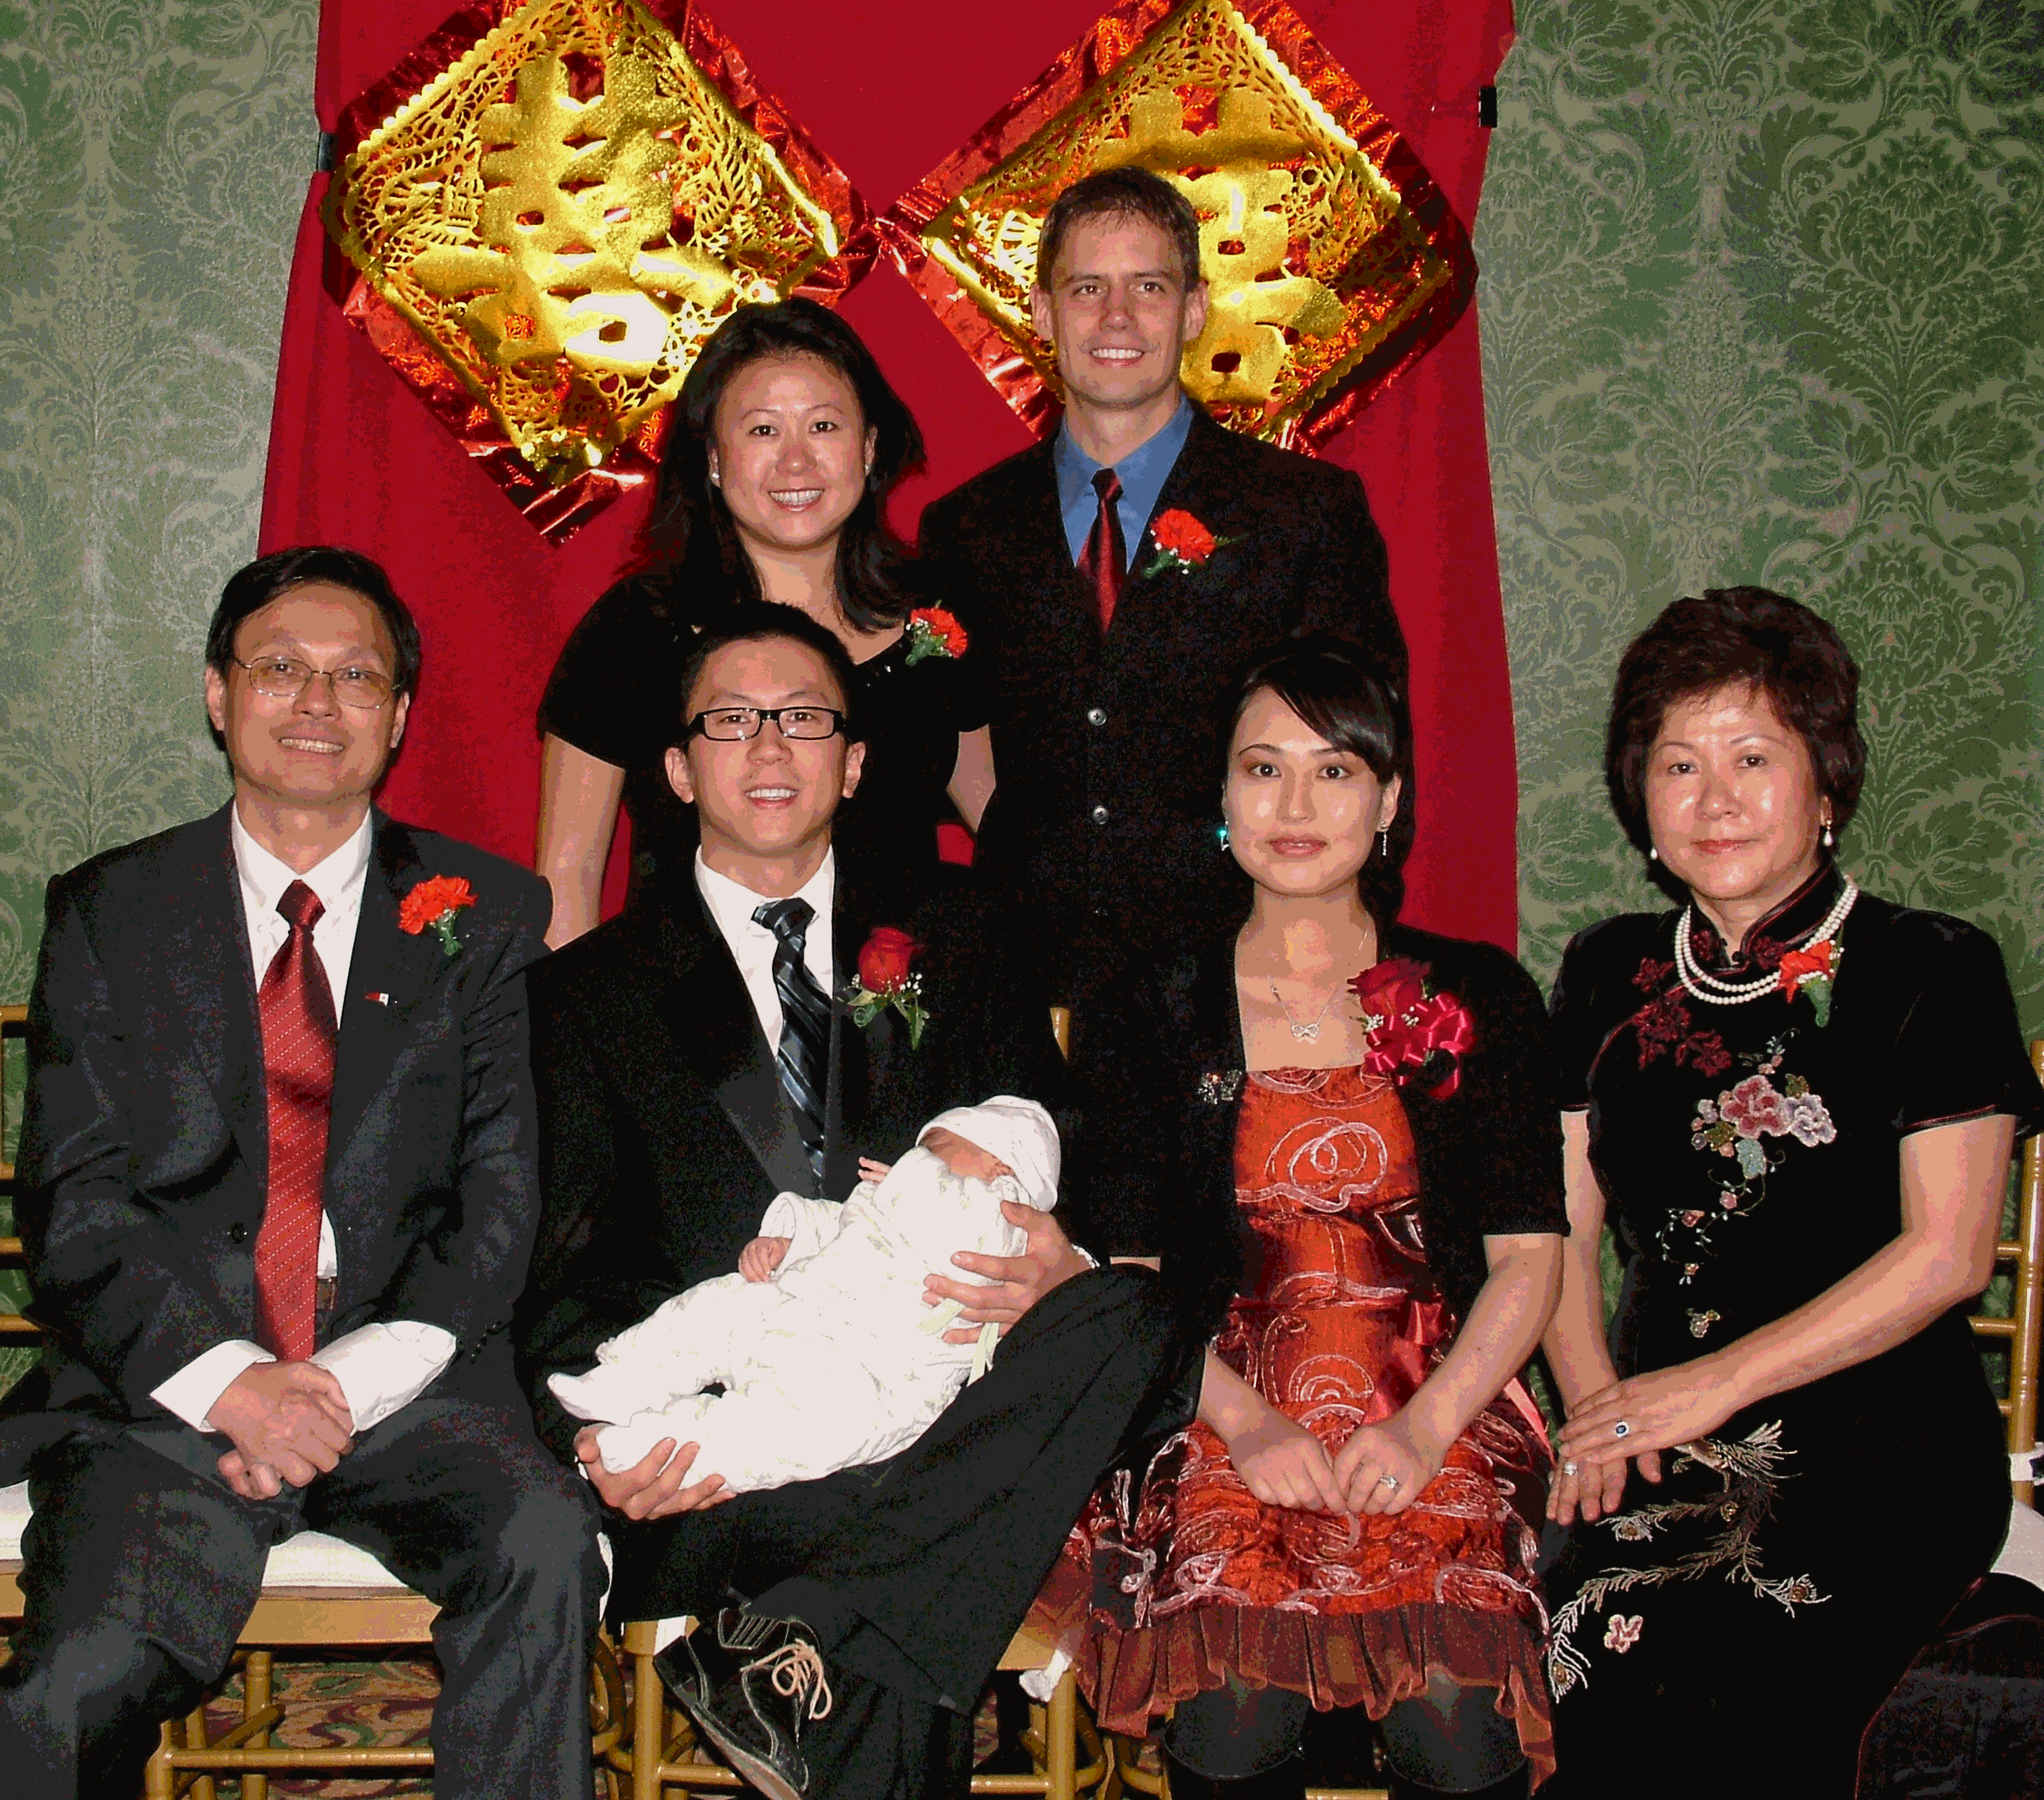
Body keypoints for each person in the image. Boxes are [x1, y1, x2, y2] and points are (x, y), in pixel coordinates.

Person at [516, 602, 1187, 1799]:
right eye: (731, 721)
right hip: (737, 1439)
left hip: (956, 1393)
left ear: (858, 760)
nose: (770, 746)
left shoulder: (961, 937)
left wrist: (1057, 1254)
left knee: (1132, 1313)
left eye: (805, 719)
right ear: (676, 769)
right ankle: (822, 1631)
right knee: (912, 1562)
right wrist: (599, 1435)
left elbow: (1062, 1137)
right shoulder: (585, 996)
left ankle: (806, 1637)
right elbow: (559, 1271)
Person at [0, 548, 603, 1798]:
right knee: (75, 1683)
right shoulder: (111, 911)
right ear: (219, 694)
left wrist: (333, 1387)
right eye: (279, 669)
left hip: (413, 1387)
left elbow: (503, 1200)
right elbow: (75, 1206)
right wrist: (235, 1386)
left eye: (355, 677)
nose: (318, 703)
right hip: (168, 1393)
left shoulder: (487, 911)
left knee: (543, 1547)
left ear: (399, 716)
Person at [1538, 587, 2044, 1796]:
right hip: (1654, 1427)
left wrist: (1707, 1386)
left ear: (1826, 785)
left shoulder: (1931, 966)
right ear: (1640, 802)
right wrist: (1598, 1406)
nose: (1714, 799)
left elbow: (1947, 1256)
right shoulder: (1604, 970)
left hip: (1880, 1444)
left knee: (1735, 1664)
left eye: (1753, 757)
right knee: (1578, 1647)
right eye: (1679, 764)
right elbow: (1551, 1222)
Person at [1041, 640, 1565, 1797]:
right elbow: (1128, 1273)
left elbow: (1530, 1259)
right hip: (1212, 1400)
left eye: (1334, 772)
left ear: (1389, 800)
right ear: (1223, 800)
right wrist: (1247, 1429)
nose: (1293, 805)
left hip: (1444, 1395)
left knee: (1452, 1723)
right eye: (1262, 769)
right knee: (1233, 1717)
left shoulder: (1480, 994)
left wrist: (1423, 1429)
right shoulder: (1149, 1004)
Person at [918, 166, 1405, 1005]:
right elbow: (949, 733)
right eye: (1086, 288)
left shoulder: (1303, 513)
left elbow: (1370, 749)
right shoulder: (968, 526)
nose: (1116, 317)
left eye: (1148, 286)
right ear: (1041, 312)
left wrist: (1342, 961)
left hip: (1240, 982)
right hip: (1026, 985)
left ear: (1194, 309)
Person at [537, 298, 988, 947]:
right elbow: (567, 884)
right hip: (690, 1004)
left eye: (823, 426)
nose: (796, 462)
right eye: (763, 431)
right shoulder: (634, 632)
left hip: (905, 1001)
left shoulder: (936, 624)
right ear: (714, 459)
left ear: (868, 447)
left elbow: (1008, 832)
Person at [549, 1097, 1060, 1491]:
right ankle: (623, 1380)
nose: (918, 1157)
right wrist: (788, 1242)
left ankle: (658, 1447)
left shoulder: (1007, 1223)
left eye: (939, 1150)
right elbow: (844, 1222)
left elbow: (968, 1232)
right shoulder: (899, 1193)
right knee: (715, 1307)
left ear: (1002, 1168)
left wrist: (913, 1178)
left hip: (868, 1374)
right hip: (800, 1308)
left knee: (777, 1433)